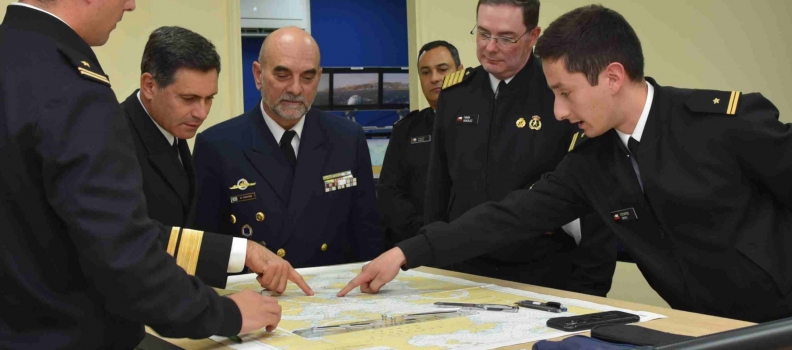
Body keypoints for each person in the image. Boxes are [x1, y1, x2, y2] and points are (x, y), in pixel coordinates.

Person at [339, 4, 792, 323]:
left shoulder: (722, 125)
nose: (557, 112)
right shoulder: (592, 161)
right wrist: (406, 252)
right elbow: (508, 216)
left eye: (565, 93)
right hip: (702, 329)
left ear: (612, 77)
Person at [0, 1, 307, 349]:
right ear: (149, 86)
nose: (131, 4)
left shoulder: (16, 55)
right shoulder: (72, 86)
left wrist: (238, 251)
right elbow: (123, 251)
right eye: (189, 98)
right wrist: (226, 315)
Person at [420, 0, 615, 296]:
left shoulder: (557, 93)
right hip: (462, 269)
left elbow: (593, 198)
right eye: (483, 33)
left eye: (506, 38)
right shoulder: (456, 94)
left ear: (533, 36)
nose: (490, 47)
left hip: (540, 272)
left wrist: (589, 289)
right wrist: (430, 260)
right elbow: (438, 188)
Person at [120, 26, 305, 289]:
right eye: (189, 98)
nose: (201, 113)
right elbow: (132, 238)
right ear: (150, 85)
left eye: (209, 99)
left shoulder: (170, 132)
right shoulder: (112, 138)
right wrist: (244, 251)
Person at [193, 27, 382, 269]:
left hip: (331, 294)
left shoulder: (347, 138)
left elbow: (367, 234)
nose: (295, 89)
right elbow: (205, 246)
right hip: (256, 295)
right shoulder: (217, 145)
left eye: (307, 77)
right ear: (258, 75)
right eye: (282, 75)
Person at [377, 40, 463, 248]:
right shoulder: (406, 129)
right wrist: (424, 236)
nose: (434, 78)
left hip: (469, 243)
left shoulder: (482, 122)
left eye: (442, 69)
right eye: (425, 72)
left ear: (460, 71)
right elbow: (390, 193)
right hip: (416, 245)